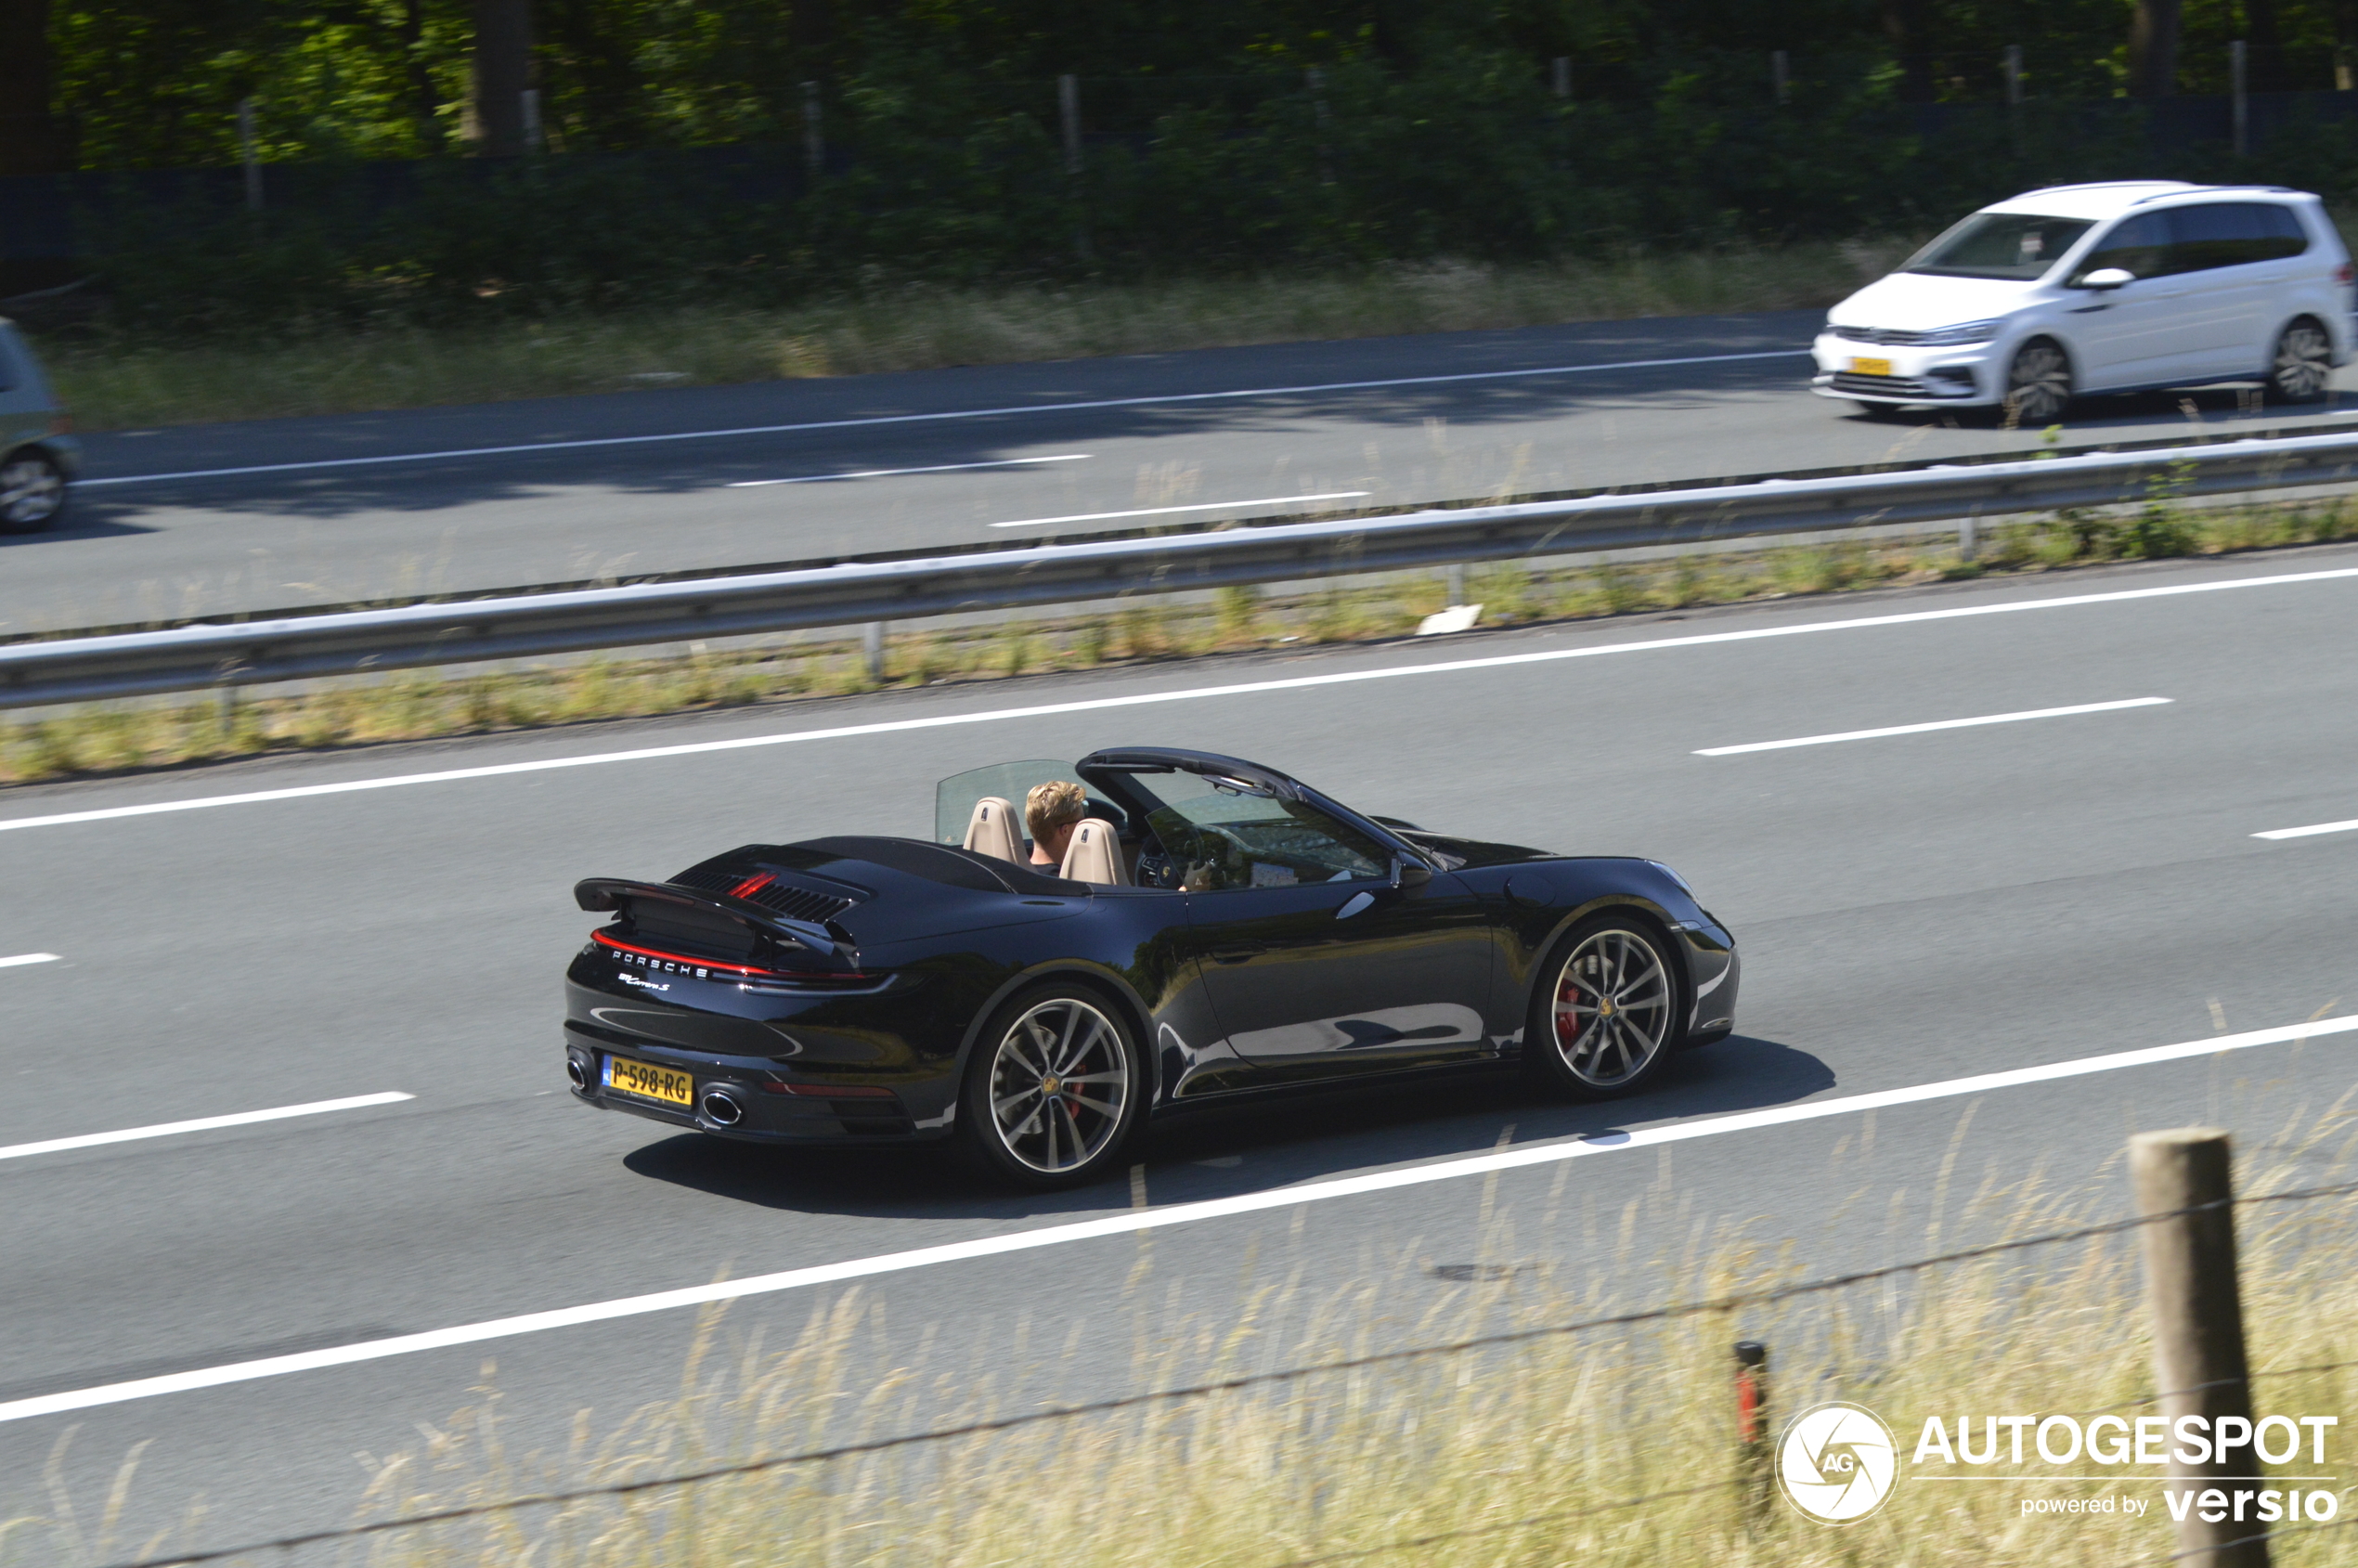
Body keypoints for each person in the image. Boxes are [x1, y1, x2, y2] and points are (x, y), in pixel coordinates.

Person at [1025, 779, 1088, 868]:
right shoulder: (1065, 880)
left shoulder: (1018, 874)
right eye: (1081, 821)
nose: (1084, 826)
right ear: (1065, 830)